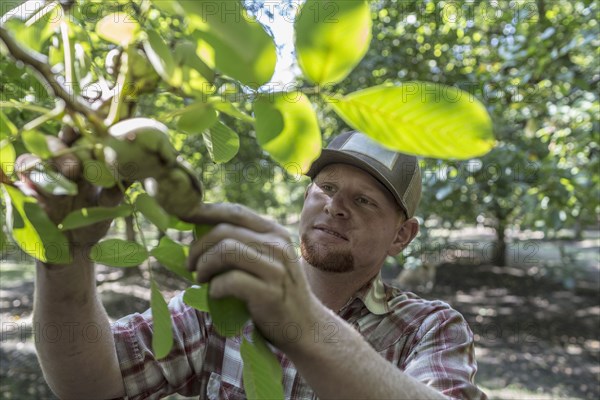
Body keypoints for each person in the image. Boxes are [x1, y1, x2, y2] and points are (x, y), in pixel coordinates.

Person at [30, 131, 486, 399]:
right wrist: (64, 256)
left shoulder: (430, 328)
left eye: (364, 200)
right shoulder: (226, 303)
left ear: (402, 236)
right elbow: (91, 384)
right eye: (326, 187)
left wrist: (300, 321)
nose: (336, 207)